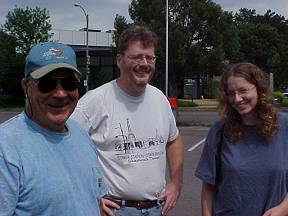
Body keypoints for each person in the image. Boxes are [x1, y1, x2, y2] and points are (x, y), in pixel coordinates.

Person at [71, 26, 184, 216]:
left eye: (150, 57)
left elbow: (174, 141)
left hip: (157, 209)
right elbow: (65, 148)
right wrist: (89, 197)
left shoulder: (159, 99)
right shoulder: (94, 102)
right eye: (136, 57)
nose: (144, 63)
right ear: (119, 60)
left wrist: (176, 183)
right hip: (115, 210)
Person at [0, 42, 108, 216]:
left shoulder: (81, 134)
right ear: (26, 86)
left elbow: (95, 199)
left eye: (69, 83)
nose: (60, 94)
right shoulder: (6, 147)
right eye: (47, 84)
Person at [195, 62, 288, 216]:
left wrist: (283, 209)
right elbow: (208, 186)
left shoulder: (284, 126)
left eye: (243, 90)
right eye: (231, 93)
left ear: (259, 89)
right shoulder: (219, 131)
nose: (237, 99)